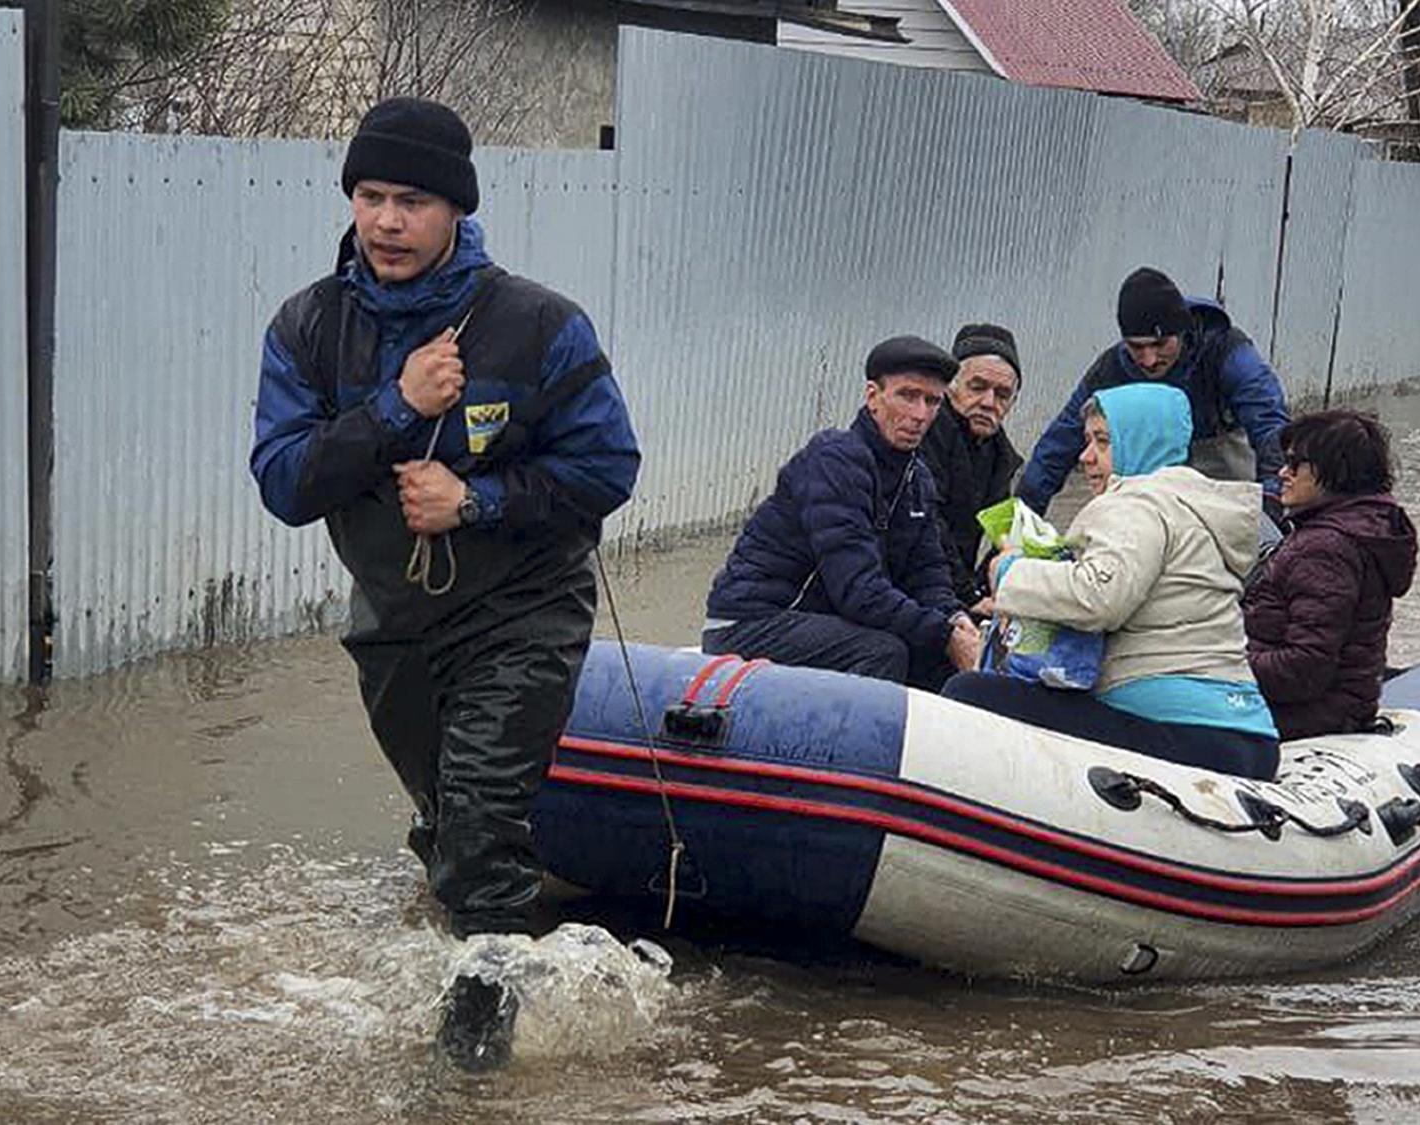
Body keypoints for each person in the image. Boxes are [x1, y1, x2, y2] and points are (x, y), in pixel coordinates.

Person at [248, 97, 640, 1071]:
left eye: (411, 201)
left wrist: (476, 500)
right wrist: (394, 408)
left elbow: (608, 469)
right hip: (393, 621)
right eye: (371, 196)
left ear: (455, 210)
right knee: (447, 829)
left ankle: (469, 1070)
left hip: (521, 612)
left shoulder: (537, 324)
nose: (386, 221)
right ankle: (515, 964)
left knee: (476, 824)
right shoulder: (307, 327)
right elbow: (284, 483)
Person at [944, 383, 1279, 781]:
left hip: (1180, 732)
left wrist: (1010, 572)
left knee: (969, 692)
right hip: (1249, 736)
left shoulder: (1135, 502)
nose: (1085, 457)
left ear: (1140, 440)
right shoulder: (1193, 507)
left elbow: (1099, 597)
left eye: (1102, 441)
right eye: (1087, 441)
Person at [702, 336, 983, 689]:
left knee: (936, 652)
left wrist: (956, 620)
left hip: (820, 620)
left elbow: (927, 574)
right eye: (907, 396)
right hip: (752, 622)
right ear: (872, 397)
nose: (920, 414)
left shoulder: (917, 480)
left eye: (932, 401)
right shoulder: (835, 461)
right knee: (884, 652)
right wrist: (944, 635)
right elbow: (858, 591)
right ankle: (851, 745)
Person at [1018, 267, 1290, 516]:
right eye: (1137, 347)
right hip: (1145, 475)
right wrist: (1017, 524)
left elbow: (1270, 426)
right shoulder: (1111, 369)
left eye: (1160, 344)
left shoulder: (1225, 350)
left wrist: (1273, 500)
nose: (1149, 359)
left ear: (1181, 332)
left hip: (1220, 459)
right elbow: (1056, 447)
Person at [1243, 411, 1417, 741]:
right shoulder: (1361, 529)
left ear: (1335, 471)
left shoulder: (1325, 549)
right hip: (1343, 705)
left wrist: (1215, 665)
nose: (1282, 473)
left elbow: (1304, 669)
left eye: (1295, 465)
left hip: (1309, 715)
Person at [918, 322, 1026, 611]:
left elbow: (1003, 536)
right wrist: (969, 597)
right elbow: (930, 526)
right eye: (977, 387)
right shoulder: (924, 435)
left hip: (952, 588)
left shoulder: (1000, 456)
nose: (989, 402)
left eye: (1002, 394)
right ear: (950, 387)